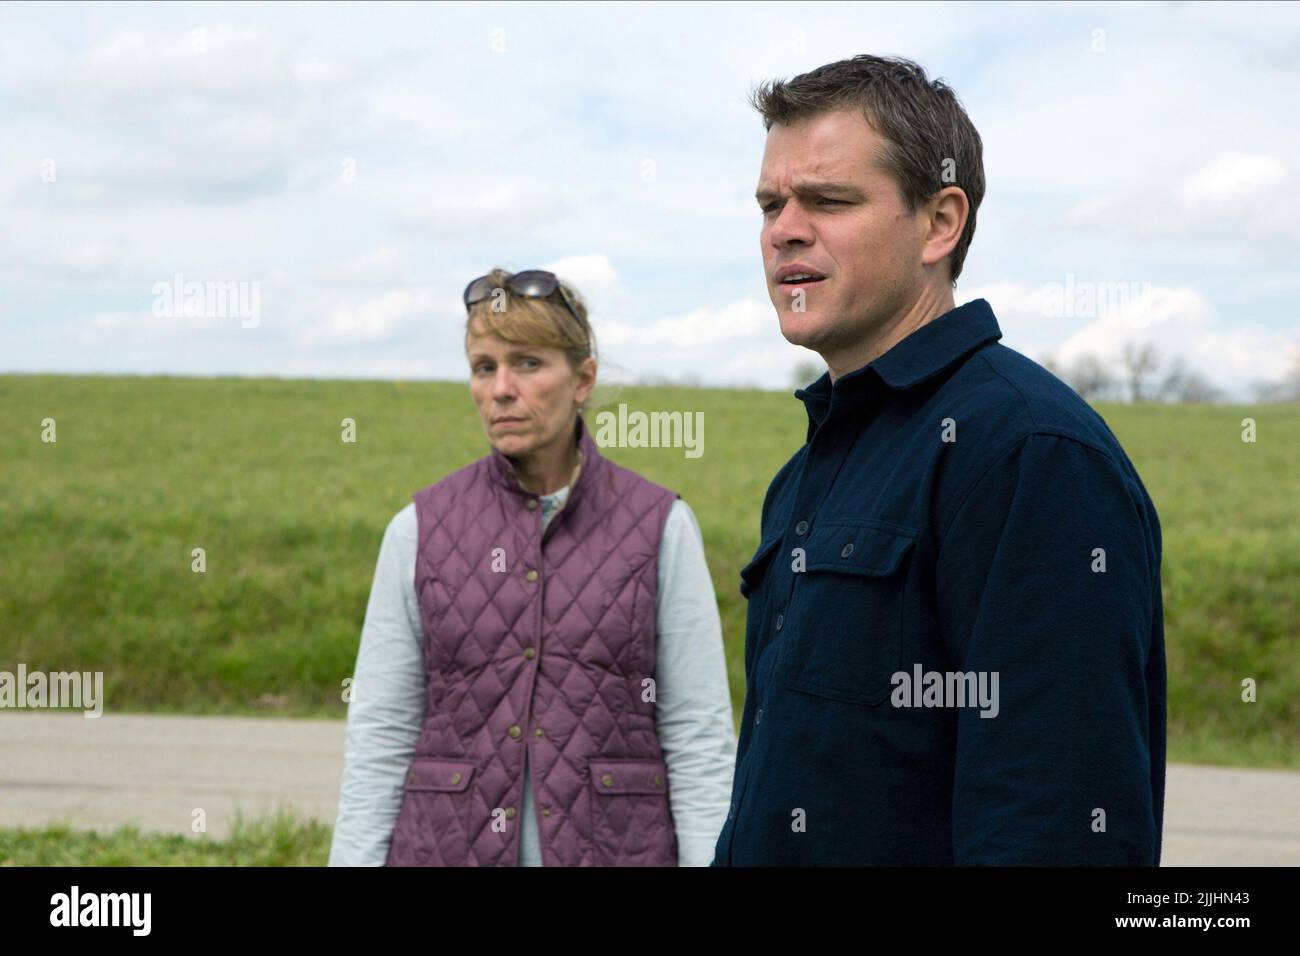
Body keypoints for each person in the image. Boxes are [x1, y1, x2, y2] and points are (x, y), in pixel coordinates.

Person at [711, 55, 1166, 865]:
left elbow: (1050, 828)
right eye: (771, 203)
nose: (783, 228)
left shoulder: (1029, 455)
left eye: (828, 200)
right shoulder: (808, 471)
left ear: (940, 222)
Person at [329, 268, 735, 866]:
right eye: (484, 366)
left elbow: (699, 739)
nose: (501, 388)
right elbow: (380, 738)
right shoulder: (415, 530)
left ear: (583, 379)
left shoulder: (661, 527)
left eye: (527, 363)